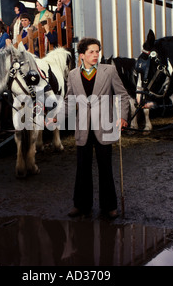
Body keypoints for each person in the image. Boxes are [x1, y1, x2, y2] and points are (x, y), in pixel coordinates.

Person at [51, 37, 130, 219]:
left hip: (105, 126)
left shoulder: (109, 70)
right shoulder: (72, 74)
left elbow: (123, 95)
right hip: (83, 128)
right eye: (91, 52)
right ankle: (81, 205)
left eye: (97, 51)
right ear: (82, 55)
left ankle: (109, 206)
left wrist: (123, 117)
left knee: (105, 167)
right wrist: (56, 117)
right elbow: (69, 101)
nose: (95, 55)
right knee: (82, 168)